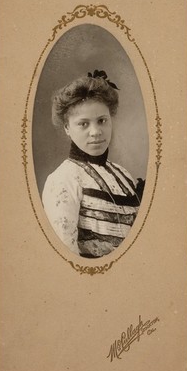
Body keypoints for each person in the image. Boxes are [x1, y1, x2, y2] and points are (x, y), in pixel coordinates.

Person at [42, 70, 145, 258]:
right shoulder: (63, 179)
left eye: (102, 121)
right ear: (67, 128)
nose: (96, 132)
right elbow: (65, 256)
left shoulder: (123, 175)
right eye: (83, 124)